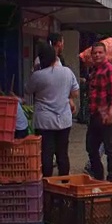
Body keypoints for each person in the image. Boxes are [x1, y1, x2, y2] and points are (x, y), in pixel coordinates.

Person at [26, 43, 79, 177]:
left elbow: (28, 90)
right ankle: (64, 183)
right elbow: (75, 92)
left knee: (46, 153)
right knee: (62, 154)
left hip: (44, 122)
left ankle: (48, 184)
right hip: (64, 120)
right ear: (55, 57)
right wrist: (64, 96)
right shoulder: (67, 72)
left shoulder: (38, 75)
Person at [86, 42, 112, 182]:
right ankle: (98, 176)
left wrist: (111, 112)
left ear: (105, 54)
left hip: (106, 115)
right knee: (90, 147)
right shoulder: (94, 71)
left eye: (100, 52)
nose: (97, 55)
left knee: (109, 148)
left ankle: (111, 178)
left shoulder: (109, 70)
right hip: (94, 114)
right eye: (95, 53)